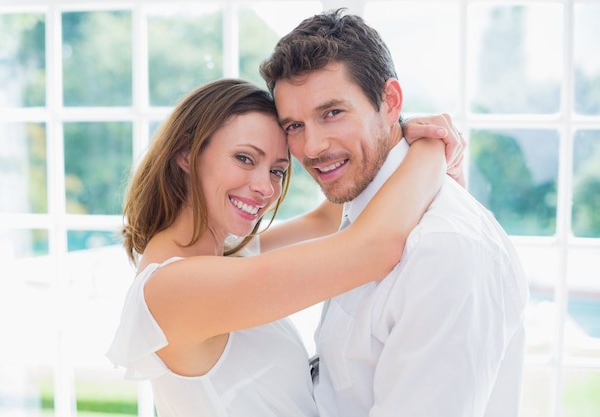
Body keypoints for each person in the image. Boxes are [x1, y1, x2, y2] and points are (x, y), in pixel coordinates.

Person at [106, 78, 461, 416]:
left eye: (277, 170)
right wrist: (433, 146)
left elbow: (326, 219)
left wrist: (384, 131)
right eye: (245, 158)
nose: (265, 188)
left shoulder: (226, 254)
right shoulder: (174, 291)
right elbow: (374, 248)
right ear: (185, 152)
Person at [259, 9, 529, 417]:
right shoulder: (357, 211)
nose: (312, 148)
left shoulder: (443, 252)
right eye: (294, 126)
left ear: (391, 102)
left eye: (332, 113)